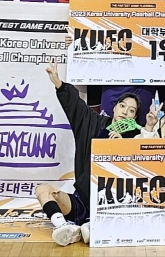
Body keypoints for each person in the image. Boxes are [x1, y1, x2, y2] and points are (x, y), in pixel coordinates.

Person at [36, 60, 141, 247]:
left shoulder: (136, 138)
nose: (125, 112)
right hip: (83, 201)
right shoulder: (92, 122)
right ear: (114, 107)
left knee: (95, 227)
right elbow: (76, 105)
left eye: (131, 110)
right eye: (122, 106)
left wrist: (123, 146)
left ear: (134, 118)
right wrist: (58, 83)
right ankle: (64, 227)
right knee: (43, 190)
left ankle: (92, 227)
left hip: (111, 207)